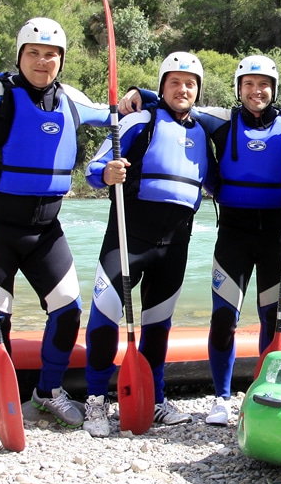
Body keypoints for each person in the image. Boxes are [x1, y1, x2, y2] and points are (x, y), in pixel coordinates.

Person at [0, 18, 111, 427]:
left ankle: (47, 391)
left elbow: (110, 115)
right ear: (20, 55)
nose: (42, 61)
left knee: (67, 309)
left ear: (61, 61)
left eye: (51, 55)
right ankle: (2, 398)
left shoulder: (72, 101)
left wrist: (141, 97)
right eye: (33, 53)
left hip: (44, 227)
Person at [117, 55, 281, 427]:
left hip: (279, 234)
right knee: (223, 320)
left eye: (264, 84)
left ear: (274, 89)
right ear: (238, 89)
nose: (257, 91)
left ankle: (265, 392)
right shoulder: (218, 120)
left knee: (273, 319)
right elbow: (176, 105)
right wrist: (139, 93)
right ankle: (221, 400)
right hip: (233, 233)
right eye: (249, 84)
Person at [80, 52, 209, 437]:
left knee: (158, 325)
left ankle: (153, 400)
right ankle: (95, 403)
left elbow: (218, 182)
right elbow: (91, 170)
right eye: (174, 82)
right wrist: (107, 172)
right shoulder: (140, 120)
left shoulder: (204, 131)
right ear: (163, 86)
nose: (182, 89)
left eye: (190, 83)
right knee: (104, 316)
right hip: (128, 237)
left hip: (175, 245)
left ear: (198, 90)